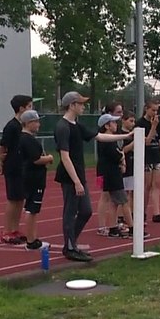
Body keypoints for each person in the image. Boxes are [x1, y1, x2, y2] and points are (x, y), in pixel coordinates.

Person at [54, 92, 133, 261]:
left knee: (86, 211)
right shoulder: (63, 127)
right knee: (70, 212)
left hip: (79, 175)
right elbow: (65, 156)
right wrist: (76, 181)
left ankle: (71, 244)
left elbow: (99, 136)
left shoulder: (76, 124)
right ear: (72, 105)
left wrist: (125, 136)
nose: (83, 107)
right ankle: (70, 247)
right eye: (81, 104)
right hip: (70, 177)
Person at [0, 94, 34, 244]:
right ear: (21, 108)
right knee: (13, 199)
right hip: (13, 167)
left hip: (23, 166)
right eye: (29, 107)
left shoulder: (23, 126)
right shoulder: (12, 126)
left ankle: (15, 229)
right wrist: (1, 163)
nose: (32, 109)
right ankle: (7, 231)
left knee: (20, 199)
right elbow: (3, 146)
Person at [16, 110, 52, 250]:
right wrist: (49, 158)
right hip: (34, 178)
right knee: (32, 209)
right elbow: (36, 159)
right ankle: (31, 241)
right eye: (36, 121)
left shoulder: (25, 138)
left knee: (31, 209)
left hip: (30, 177)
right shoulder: (27, 139)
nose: (38, 124)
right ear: (28, 123)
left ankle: (32, 238)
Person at [95, 113, 134, 238]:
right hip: (111, 174)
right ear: (106, 125)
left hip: (110, 173)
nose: (116, 125)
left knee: (114, 202)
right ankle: (133, 228)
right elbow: (116, 155)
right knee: (124, 201)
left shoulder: (110, 140)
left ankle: (113, 228)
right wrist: (122, 158)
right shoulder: (107, 141)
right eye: (113, 123)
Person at [136, 100, 160, 223]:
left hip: (156, 156)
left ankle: (156, 213)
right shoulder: (140, 123)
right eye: (153, 110)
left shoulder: (157, 123)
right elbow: (146, 141)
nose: (155, 112)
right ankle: (143, 212)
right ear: (146, 109)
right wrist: (153, 126)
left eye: (156, 110)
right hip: (146, 157)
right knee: (147, 185)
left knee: (156, 184)